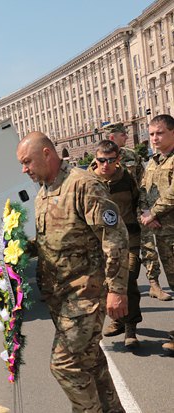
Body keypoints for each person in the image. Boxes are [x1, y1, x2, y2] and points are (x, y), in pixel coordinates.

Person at [17, 132, 128, 412]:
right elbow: (52, 240)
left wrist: (117, 290)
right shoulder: (44, 193)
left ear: (46, 154)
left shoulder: (83, 185)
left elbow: (114, 237)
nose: (24, 169)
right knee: (91, 362)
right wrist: (19, 249)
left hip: (85, 294)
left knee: (65, 364)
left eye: (27, 161)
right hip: (60, 297)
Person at [104, 123, 169, 300]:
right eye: (123, 134)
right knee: (114, 251)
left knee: (148, 246)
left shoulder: (131, 155)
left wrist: (147, 208)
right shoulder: (101, 158)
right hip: (114, 214)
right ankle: (115, 288)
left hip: (137, 208)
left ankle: (154, 284)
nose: (126, 137)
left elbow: (143, 181)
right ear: (112, 137)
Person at [90, 140, 142, 348]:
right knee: (107, 282)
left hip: (129, 238)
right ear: (95, 159)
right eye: (101, 160)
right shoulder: (88, 181)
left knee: (128, 279)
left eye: (111, 160)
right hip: (102, 242)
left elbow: (138, 201)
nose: (106, 165)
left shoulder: (126, 178)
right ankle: (118, 320)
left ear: (118, 159)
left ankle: (131, 328)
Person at [139, 114, 174, 355]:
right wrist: (145, 212)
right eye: (151, 134)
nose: (154, 138)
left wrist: (153, 213)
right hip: (162, 233)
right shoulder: (153, 162)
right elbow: (144, 189)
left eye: (159, 133)